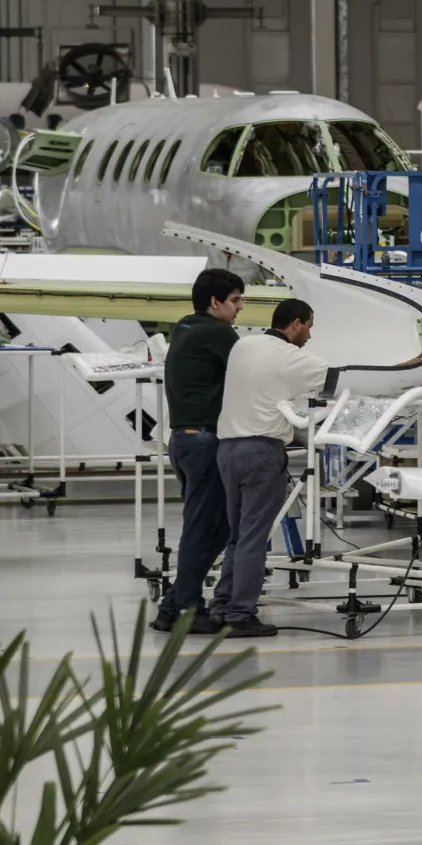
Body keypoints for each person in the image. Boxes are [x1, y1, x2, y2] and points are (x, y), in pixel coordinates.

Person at [211, 298, 332, 639]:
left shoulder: (243, 345)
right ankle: (240, 613)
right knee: (254, 537)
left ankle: (221, 607)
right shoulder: (293, 357)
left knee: (237, 535)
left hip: (228, 449)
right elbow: (340, 381)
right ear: (295, 324)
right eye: (308, 326)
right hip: (260, 452)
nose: (309, 335)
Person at [152, 267, 245, 634]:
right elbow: (251, 368)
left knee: (218, 527)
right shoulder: (218, 332)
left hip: (183, 441)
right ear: (215, 302)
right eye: (236, 300)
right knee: (202, 529)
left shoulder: (185, 328)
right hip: (205, 442)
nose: (240, 308)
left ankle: (172, 605)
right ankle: (187, 608)